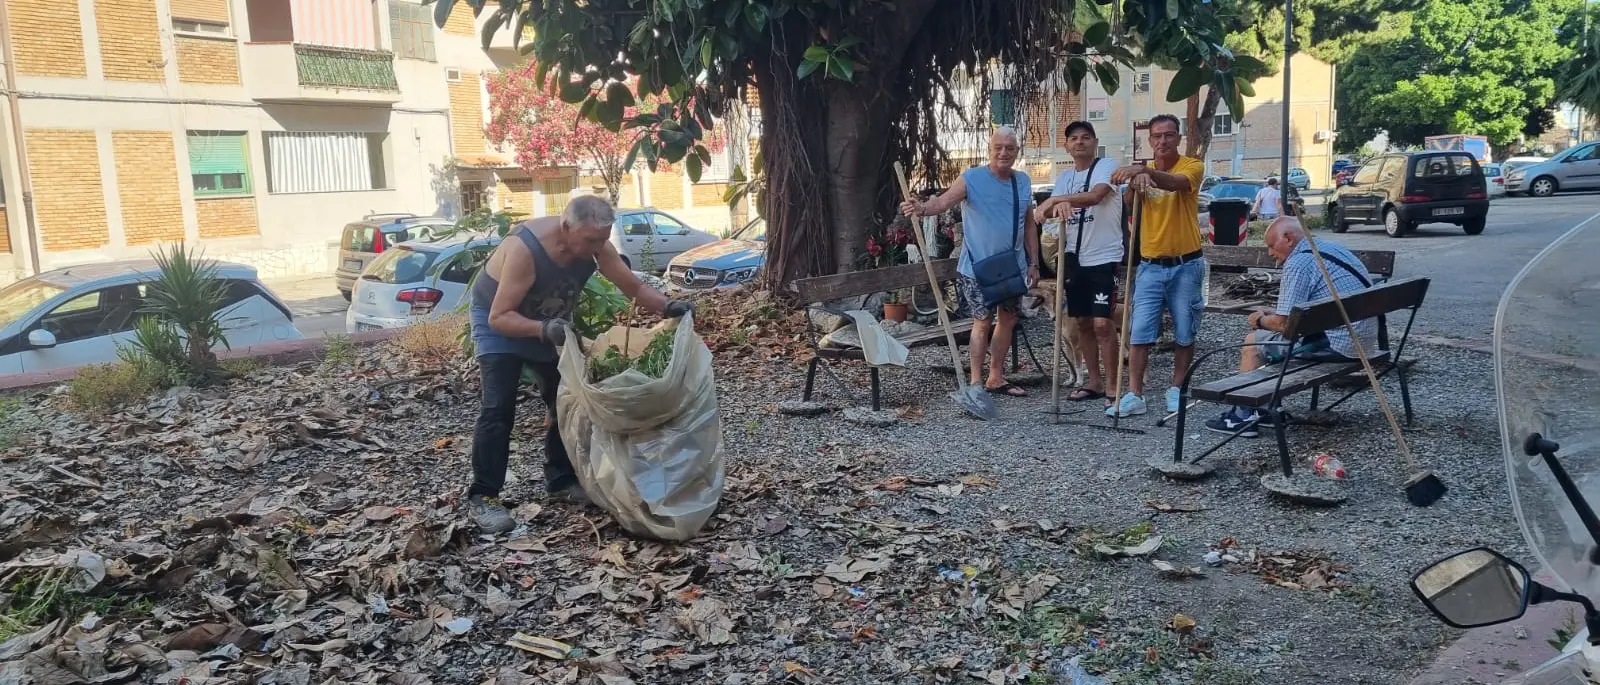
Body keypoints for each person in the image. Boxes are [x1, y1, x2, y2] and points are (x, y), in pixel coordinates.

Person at [465, 195, 693, 532]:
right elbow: (500, 316)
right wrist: (542, 329)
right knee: (498, 408)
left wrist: (668, 306)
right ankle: (484, 496)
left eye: (603, 239)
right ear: (566, 226)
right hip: (500, 323)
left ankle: (560, 480)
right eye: (590, 240)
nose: (597, 247)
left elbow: (632, 285)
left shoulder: (596, 245)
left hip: (550, 323)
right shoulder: (527, 250)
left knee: (567, 402)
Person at [1205, 217, 1377, 437]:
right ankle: (1268, 409)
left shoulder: (1298, 263)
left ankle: (1243, 416)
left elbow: (1284, 324)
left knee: (1254, 342)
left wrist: (1259, 320)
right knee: (1272, 342)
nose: (1269, 253)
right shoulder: (1329, 247)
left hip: (1339, 345)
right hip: (1364, 337)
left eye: (1270, 245)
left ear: (1288, 238)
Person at [901, 127, 1038, 397]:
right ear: (989, 149)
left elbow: (1029, 224)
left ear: (1016, 153)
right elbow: (940, 204)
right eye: (998, 147)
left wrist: (1034, 262)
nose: (1003, 153)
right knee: (982, 320)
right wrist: (920, 209)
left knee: (1008, 319)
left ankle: (996, 376)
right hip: (977, 267)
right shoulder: (971, 178)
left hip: (1012, 265)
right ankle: (976, 381)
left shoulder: (1022, 181)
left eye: (1009, 148)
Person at [1107, 114, 1207, 417]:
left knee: (1184, 328)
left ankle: (1177, 388)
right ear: (1148, 140)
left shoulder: (1192, 166)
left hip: (1186, 263)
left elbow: (1178, 184)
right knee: (1139, 331)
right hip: (1150, 265)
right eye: (1156, 136)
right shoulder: (1143, 173)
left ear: (1179, 138)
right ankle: (1135, 393)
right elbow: (1127, 203)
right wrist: (1135, 184)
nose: (1162, 141)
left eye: (1169, 135)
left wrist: (1143, 171)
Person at [1034, 121, 1122, 402]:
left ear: (1095, 142)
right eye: (1073, 138)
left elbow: (1096, 196)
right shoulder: (1065, 177)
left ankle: (1113, 384)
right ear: (1067, 146)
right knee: (1082, 322)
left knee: (1102, 323)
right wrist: (1057, 206)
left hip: (1103, 256)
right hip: (1073, 256)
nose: (1080, 142)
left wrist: (1058, 199)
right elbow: (1047, 216)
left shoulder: (1107, 166)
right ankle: (1093, 382)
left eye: (1086, 137)